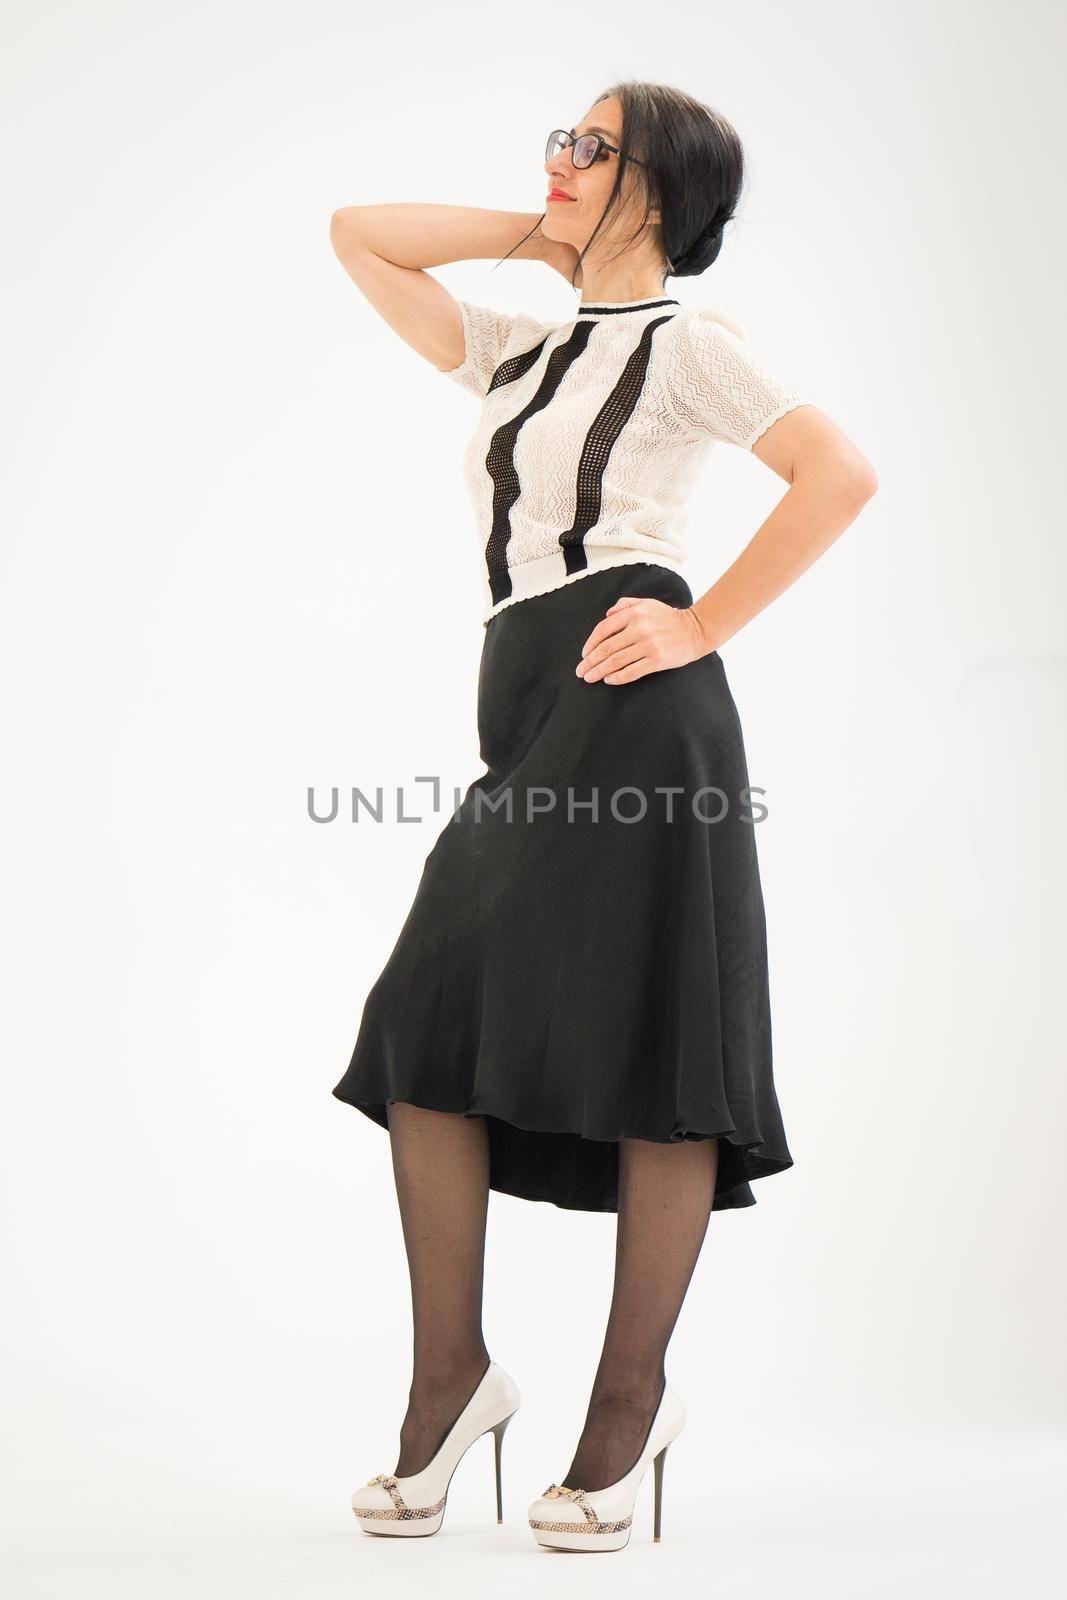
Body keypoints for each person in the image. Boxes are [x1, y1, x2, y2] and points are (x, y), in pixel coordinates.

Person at [328, 80, 877, 1551]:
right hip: (525, 716)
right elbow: (360, 237)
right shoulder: (524, 349)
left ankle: (628, 1408)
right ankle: (454, 1382)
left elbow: (841, 474)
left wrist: (706, 629)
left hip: (638, 700)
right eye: (555, 142)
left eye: (589, 148)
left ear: (660, 188)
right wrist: (545, 233)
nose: (556, 162)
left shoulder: (691, 343)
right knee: (427, 1025)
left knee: (659, 1035)